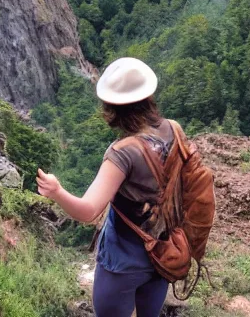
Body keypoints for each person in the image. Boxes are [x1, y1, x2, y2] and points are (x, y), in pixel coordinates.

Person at [37, 57, 179, 317]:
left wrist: (57, 191)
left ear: (112, 108)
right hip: (162, 254)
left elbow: (88, 211)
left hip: (123, 262)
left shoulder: (122, 153)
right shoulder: (174, 130)